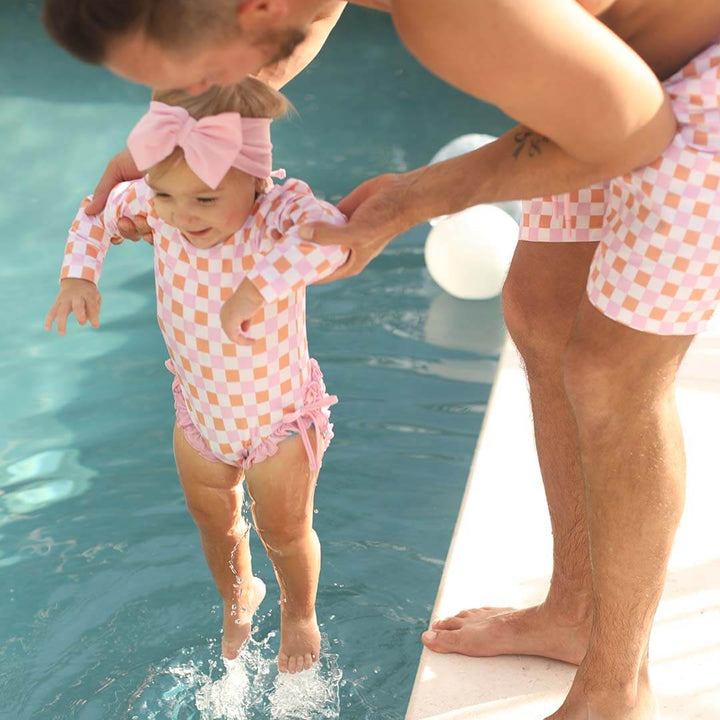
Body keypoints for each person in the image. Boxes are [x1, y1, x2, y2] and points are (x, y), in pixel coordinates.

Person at [41, 1, 720, 718]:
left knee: (610, 373)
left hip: (689, 93)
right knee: (542, 314)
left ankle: (617, 691)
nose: (197, 106)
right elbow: (275, 50)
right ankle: (577, 612)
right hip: (598, 79)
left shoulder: (443, 14)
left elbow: (633, 133)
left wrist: (407, 200)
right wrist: (167, 157)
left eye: (198, 78)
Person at [45, 78, 349, 674]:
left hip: (276, 425)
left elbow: (336, 239)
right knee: (215, 523)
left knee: (285, 533)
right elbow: (96, 215)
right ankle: (240, 597)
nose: (182, 216)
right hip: (202, 417)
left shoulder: (276, 213)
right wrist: (78, 276)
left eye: (204, 201)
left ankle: (299, 611)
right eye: (166, 197)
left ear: (257, 180)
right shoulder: (160, 208)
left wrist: (257, 286)